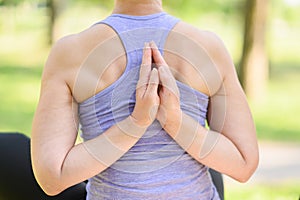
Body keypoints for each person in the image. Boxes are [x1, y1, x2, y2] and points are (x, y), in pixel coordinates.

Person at [31, 0, 259, 199]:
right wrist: (175, 123)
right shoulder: (209, 47)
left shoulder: (70, 52)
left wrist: (135, 125)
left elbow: (53, 177)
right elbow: (243, 163)